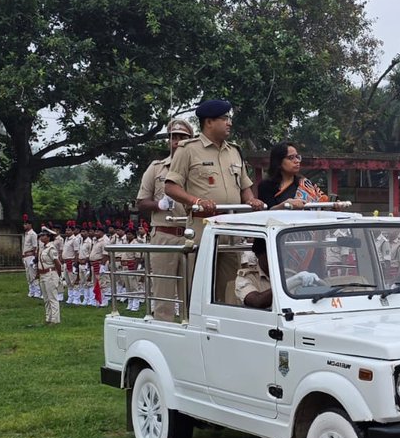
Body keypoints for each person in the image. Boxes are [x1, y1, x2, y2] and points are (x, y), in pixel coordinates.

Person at [165, 99, 264, 299]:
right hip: (203, 226)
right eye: (224, 118)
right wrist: (196, 201)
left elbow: (245, 187)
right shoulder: (188, 149)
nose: (229, 123)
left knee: (231, 286)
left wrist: (251, 200)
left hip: (231, 228)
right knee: (200, 286)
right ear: (209, 122)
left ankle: (227, 315)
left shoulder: (234, 151)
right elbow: (170, 187)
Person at [136, 117, 193, 320]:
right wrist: (158, 205)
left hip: (191, 234)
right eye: (173, 137)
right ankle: (164, 329)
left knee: (192, 291)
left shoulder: (197, 168)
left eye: (182, 137)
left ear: (191, 140)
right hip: (164, 234)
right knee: (163, 292)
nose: (177, 141)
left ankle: (191, 329)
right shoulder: (156, 168)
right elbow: (141, 202)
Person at [258, 142, 328, 209]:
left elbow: (324, 205)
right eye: (291, 158)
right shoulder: (266, 186)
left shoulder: (306, 184)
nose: (297, 161)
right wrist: (285, 205)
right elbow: (267, 212)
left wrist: (333, 205)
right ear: (278, 162)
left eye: (297, 157)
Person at [36, 227, 62, 325]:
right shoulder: (43, 248)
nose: (41, 237)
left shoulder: (51, 248)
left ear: (48, 237)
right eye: (41, 235)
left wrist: (59, 275)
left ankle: (55, 319)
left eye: (43, 235)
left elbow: (57, 263)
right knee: (46, 298)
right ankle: (48, 318)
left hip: (50, 273)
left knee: (52, 298)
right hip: (43, 274)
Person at [22, 216, 40, 298]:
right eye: (24, 224)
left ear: (30, 225)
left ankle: (37, 291)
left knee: (33, 274)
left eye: (26, 224)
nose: (24, 225)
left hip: (30, 256)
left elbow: (35, 247)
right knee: (28, 275)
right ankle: (31, 291)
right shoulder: (26, 234)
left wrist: (34, 258)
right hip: (25, 256)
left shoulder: (33, 234)